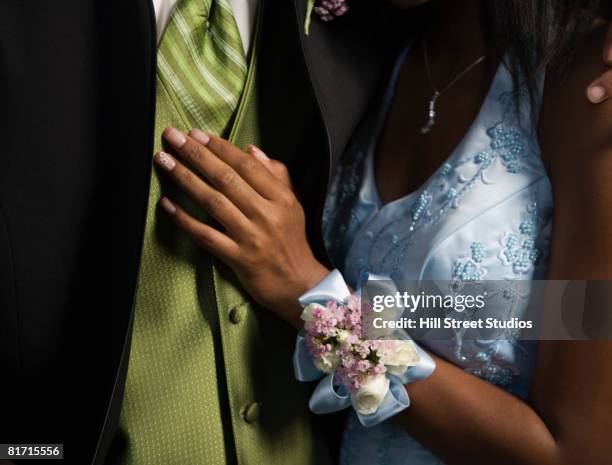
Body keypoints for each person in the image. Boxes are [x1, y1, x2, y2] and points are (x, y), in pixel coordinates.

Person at [0, 1, 610, 465]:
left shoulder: (588, 84)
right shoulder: (385, 48)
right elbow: (509, 312)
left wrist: (312, 299)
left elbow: (572, 450)